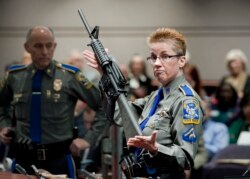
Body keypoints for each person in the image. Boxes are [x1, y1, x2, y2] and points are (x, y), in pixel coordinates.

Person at [83, 27, 204, 178]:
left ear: (181, 60)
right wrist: (104, 74)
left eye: (165, 56)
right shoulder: (156, 96)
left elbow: (185, 158)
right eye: (154, 57)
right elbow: (120, 115)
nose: (157, 63)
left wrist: (156, 148)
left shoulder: (186, 101)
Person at [0, 25, 106, 178]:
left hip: (59, 161)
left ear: (54, 46)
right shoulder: (15, 76)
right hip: (23, 159)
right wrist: (4, 126)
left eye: (49, 46)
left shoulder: (70, 76)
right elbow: (2, 104)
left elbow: (103, 105)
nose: (44, 51)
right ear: (27, 47)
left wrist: (89, 139)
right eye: (38, 46)